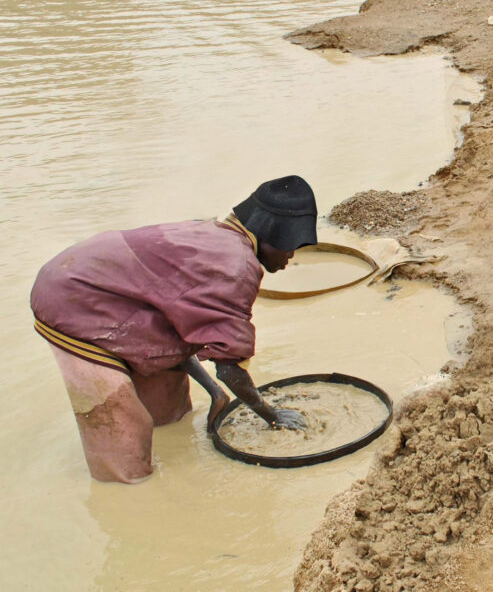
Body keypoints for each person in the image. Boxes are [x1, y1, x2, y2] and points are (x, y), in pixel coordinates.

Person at [31, 175, 318, 483]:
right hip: (73, 302)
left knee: (169, 411)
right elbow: (229, 367)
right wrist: (271, 415)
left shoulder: (213, 235)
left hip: (107, 296)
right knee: (124, 444)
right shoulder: (238, 267)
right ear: (272, 234)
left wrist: (214, 392)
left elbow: (175, 329)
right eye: (290, 248)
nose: (290, 258)